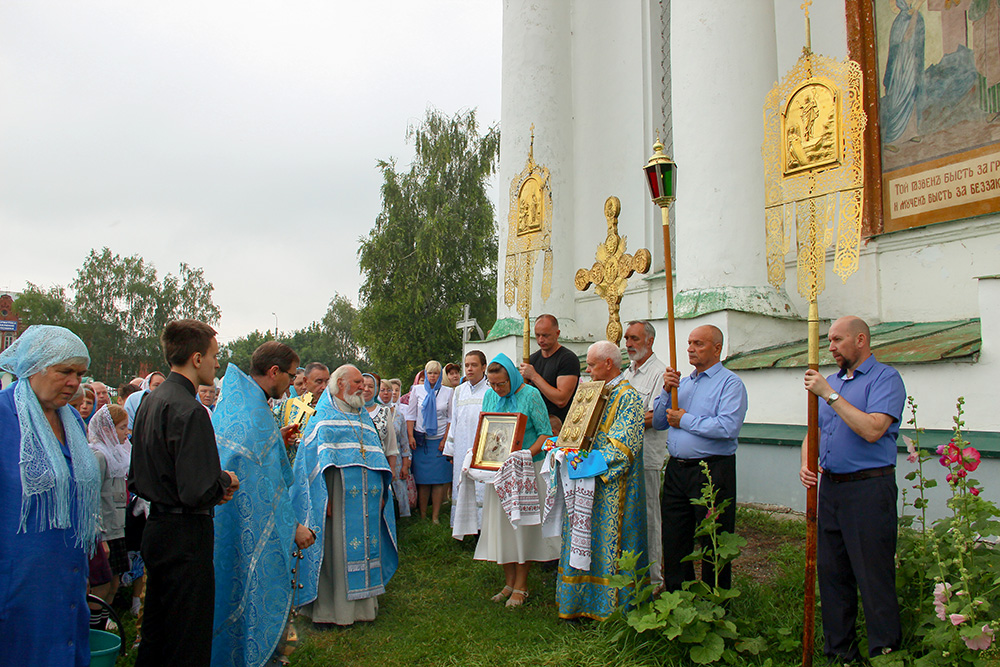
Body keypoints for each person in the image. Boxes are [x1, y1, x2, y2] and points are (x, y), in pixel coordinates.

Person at [129, 319, 240, 667]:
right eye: (213, 355)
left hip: (158, 526)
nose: (216, 363)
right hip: (185, 536)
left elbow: (142, 473)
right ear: (195, 358)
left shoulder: (152, 400)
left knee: (158, 631)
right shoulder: (190, 410)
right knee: (187, 636)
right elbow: (197, 490)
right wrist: (225, 482)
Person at [800, 316, 905, 662]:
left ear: (861, 340)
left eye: (837, 340)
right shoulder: (832, 382)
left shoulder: (885, 379)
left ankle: (885, 652)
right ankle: (841, 653)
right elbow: (813, 431)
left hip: (868, 490)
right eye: (828, 341)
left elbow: (873, 428)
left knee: (873, 576)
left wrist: (828, 395)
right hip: (831, 489)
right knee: (833, 575)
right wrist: (806, 462)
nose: (830, 347)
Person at [0, 325, 100, 666]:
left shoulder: (72, 418)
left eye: (80, 373)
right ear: (34, 366)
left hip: (67, 579)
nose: (75, 383)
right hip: (18, 583)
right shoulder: (3, 416)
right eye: (65, 371)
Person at [212, 341, 316, 667]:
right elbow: (267, 488)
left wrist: (276, 439)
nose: (291, 382)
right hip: (250, 521)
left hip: (226, 519)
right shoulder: (254, 415)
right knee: (250, 588)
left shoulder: (241, 403)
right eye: (290, 375)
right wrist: (294, 527)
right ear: (274, 372)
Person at [291, 364, 398, 626]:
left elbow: (377, 460)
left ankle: (364, 607)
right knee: (337, 552)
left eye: (363, 383)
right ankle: (333, 610)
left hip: (368, 499)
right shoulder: (323, 418)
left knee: (366, 549)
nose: (363, 387)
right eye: (358, 382)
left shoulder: (363, 417)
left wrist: (382, 492)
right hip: (336, 500)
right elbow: (309, 466)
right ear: (340, 384)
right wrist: (321, 498)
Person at [555, 341, 646, 620]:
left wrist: (582, 464)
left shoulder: (628, 396)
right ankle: (579, 603)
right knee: (581, 539)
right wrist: (564, 448)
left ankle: (613, 609)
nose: (588, 370)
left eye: (592, 365)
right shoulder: (593, 392)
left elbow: (623, 447)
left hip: (614, 488)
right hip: (585, 484)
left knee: (610, 545)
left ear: (609, 364)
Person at [653, 325, 748, 592]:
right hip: (676, 470)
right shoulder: (682, 384)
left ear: (717, 348)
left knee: (713, 538)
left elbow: (727, 427)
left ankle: (715, 599)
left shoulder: (730, 384)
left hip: (711, 470)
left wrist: (686, 420)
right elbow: (660, 422)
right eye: (689, 343)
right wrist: (665, 391)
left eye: (699, 344)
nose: (690, 349)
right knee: (674, 536)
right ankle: (678, 597)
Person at [465, 353, 558, 608]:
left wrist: (526, 454)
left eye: (501, 384)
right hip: (499, 473)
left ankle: (522, 585)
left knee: (522, 529)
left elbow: (545, 434)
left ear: (512, 377)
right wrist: (480, 453)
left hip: (526, 472)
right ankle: (508, 583)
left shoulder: (531, 395)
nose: (496, 389)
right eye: (492, 384)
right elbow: (488, 428)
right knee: (502, 528)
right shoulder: (489, 395)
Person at [622, 320, 669, 587]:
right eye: (627, 338)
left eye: (634, 339)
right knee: (628, 515)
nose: (628, 344)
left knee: (650, 516)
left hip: (647, 456)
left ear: (649, 341)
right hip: (624, 456)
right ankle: (631, 574)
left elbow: (655, 416)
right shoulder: (627, 374)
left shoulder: (660, 373)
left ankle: (653, 580)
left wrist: (623, 422)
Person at [88, 404, 132, 619]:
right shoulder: (99, 456)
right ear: (108, 429)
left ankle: (107, 618)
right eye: (123, 428)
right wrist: (99, 535)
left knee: (114, 578)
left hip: (117, 527)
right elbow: (92, 497)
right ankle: (95, 623)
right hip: (105, 530)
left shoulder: (117, 454)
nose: (127, 432)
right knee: (102, 581)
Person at [443, 350, 489, 528]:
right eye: (467, 365)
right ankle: (462, 527)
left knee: (481, 485)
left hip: (481, 445)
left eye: (474, 365)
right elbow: (454, 420)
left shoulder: (490, 390)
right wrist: (451, 448)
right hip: (462, 446)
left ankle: (481, 527)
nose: (469, 369)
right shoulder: (459, 391)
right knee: (463, 484)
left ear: (484, 367)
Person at [404, 360, 453, 523]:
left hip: (439, 440)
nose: (433, 376)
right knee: (423, 480)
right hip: (421, 441)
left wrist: (445, 440)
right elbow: (410, 415)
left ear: (441, 375)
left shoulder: (448, 392)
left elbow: (450, 418)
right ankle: (423, 515)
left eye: (436, 373)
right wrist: (410, 436)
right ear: (425, 374)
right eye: (430, 373)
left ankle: (435, 517)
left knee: (439, 480)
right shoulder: (417, 390)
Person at [519, 314, 579, 423]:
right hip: (536, 423)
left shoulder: (568, 359)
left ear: (557, 334)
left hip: (559, 424)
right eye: (538, 335)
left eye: (545, 335)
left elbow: (561, 399)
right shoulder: (532, 359)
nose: (541, 340)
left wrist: (534, 376)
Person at [363, 373, 398, 476]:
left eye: (370, 386)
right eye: (363, 385)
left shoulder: (384, 411)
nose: (366, 389)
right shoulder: (351, 411)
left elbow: (391, 444)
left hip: (379, 467)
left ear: (376, 390)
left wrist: (392, 468)